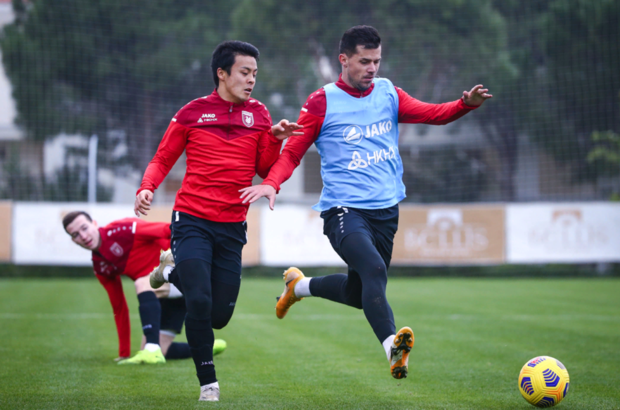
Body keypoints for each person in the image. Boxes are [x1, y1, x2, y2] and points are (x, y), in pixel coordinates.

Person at [239, 25, 492, 380]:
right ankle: (392, 348)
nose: (372, 68)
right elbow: (293, 153)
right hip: (343, 210)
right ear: (343, 60)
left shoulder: (388, 93)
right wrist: (271, 183)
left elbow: (433, 114)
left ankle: (299, 287)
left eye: (376, 61)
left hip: (386, 211)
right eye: (364, 61)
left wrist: (465, 105)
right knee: (374, 269)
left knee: (358, 294)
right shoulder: (321, 102)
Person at [134, 40, 302, 401]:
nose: (251, 80)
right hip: (192, 219)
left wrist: (275, 139)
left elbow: (263, 168)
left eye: (255, 73)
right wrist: (147, 187)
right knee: (198, 300)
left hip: (232, 226)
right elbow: (162, 159)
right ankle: (208, 385)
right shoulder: (192, 112)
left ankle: (168, 270)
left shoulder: (259, 114)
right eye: (244, 72)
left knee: (218, 316)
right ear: (222, 74)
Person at [63, 211, 227, 364]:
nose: (83, 236)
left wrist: (202, 257)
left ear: (94, 223)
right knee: (162, 349)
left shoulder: (124, 230)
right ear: (73, 240)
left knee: (143, 282)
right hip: (168, 293)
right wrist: (124, 352)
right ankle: (205, 347)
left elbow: (168, 229)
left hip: (187, 273)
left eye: (84, 228)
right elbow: (119, 307)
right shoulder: (100, 266)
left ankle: (152, 349)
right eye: (75, 234)